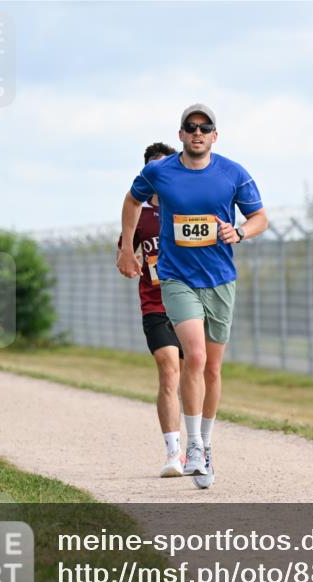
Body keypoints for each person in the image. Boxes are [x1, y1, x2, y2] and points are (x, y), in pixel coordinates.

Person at [117, 103, 269, 489]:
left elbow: (260, 218)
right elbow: (133, 200)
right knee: (195, 356)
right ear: (181, 134)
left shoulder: (233, 173)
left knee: (213, 368)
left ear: (215, 136)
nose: (198, 133)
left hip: (219, 279)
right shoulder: (160, 172)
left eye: (205, 127)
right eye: (191, 127)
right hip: (175, 277)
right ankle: (193, 446)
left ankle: (207, 445)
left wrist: (240, 232)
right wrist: (125, 247)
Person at [116, 141, 187, 477]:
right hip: (156, 304)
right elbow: (125, 258)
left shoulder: (188, 208)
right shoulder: (139, 217)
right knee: (168, 368)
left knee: (193, 376)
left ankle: (198, 448)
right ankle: (173, 453)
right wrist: (130, 259)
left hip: (190, 304)